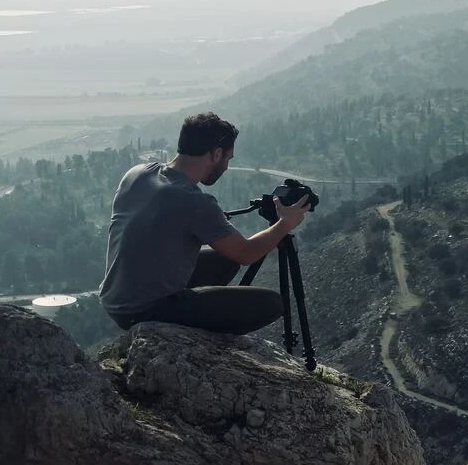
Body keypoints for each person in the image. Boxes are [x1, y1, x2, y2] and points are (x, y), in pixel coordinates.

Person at [99, 112, 311, 333]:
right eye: (228, 159)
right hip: (145, 310)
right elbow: (246, 253)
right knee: (272, 304)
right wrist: (285, 223)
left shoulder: (138, 174)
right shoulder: (195, 201)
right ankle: (194, 342)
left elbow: (161, 226)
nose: (227, 167)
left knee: (226, 260)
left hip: (115, 299)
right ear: (216, 154)